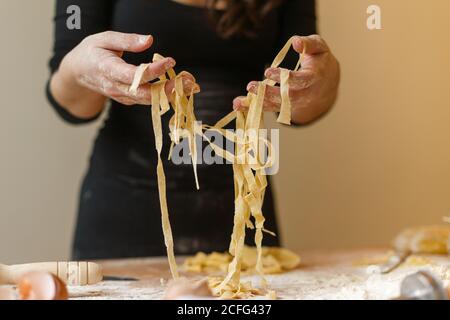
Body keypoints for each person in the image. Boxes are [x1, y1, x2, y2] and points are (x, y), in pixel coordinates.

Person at [47, 0, 340, 260]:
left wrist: (323, 83)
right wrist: (78, 69)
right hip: (125, 207)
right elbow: (73, 106)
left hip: (242, 211)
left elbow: (297, 100)